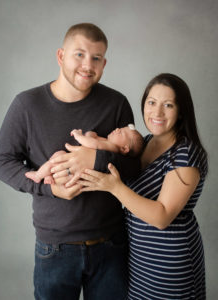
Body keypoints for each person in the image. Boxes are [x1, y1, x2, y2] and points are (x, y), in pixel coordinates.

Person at [0, 23, 140, 300]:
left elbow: (135, 167)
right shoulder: (27, 104)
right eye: (79, 54)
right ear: (61, 56)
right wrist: (49, 189)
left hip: (111, 242)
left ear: (104, 63)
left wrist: (95, 157)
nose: (87, 65)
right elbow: (1, 161)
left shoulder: (116, 103)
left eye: (96, 58)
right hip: (55, 247)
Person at [79, 73, 208, 300]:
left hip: (171, 264)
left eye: (168, 105)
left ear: (180, 112)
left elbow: (162, 217)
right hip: (139, 260)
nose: (156, 113)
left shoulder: (185, 153)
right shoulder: (144, 143)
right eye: (151, 103)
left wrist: (115, 187)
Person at [25, 124, 143, 184]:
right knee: (57, 156)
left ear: (124, 149)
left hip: (77, 169)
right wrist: (90, 135)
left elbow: (93, 144)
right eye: (119, 128)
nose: (117, 129)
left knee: (58, 157)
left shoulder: (112, 147)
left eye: (121, 133)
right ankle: (48, 175)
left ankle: (38, 175)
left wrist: (78, 135)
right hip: (75, 164)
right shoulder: (106, 141)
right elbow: (92, 137)